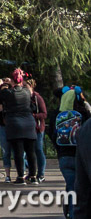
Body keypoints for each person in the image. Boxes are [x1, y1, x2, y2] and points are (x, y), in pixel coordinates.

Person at [0, 69, 39, 184]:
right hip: (29, 123)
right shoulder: (26, 91)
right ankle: (33, 176)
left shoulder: (9, 92)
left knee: (18, 152)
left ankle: (21, 176)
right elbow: (27, 89)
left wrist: (2, 84)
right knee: (31, 152)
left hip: (15, 124)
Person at [54, 86, 90, 219]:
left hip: (65, 156)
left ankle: (72, 213)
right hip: (80, 155)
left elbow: (53, 136)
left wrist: (60, 152)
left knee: (73, 188)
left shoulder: (57, 115)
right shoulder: (84, 114)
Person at [26, 78, 48, 182]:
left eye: (26, 86)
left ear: (31, 86)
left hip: (37, 128)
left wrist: (34, 115)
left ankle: (41, 174)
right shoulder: (24, 98)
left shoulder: (37, 98)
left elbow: (44, 114)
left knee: (38, 150)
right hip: (27, 128)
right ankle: (31, 172)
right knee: (29, 151)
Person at [0, 79, 15, 182]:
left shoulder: (13, 98)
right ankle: (8, 175)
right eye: (3, 90)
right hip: (2, 125)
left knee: (18, 151)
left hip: (13, 126)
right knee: (6, 151)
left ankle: (22, 172)